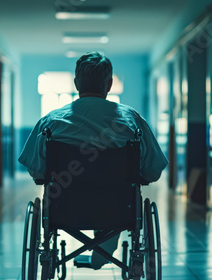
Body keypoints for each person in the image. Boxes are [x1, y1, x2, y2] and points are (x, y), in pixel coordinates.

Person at [19, 51, 168, 269]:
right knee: (115, 198)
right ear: (109, 84)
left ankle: (99, 256)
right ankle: (102, 255)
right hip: (117, 207)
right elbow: (153, 171)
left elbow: (37, 171)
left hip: (64, 206)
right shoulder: (131, 120)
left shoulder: (52, 121)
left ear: (76, 83)